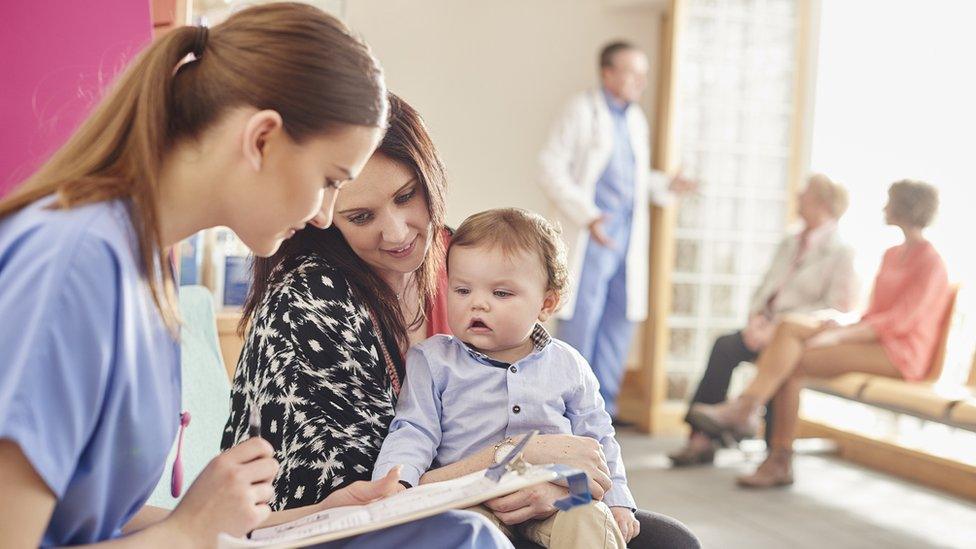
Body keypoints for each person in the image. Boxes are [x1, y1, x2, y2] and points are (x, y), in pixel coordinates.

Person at [0, 4, 509, 547]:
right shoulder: (75, 264)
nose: (322, 215)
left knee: (456, 534)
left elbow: (100, 520)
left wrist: (313, 517)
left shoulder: (143, 267)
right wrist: (190, 531)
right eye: (329, 180)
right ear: (261, 139)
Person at [226, 97, 699, 548]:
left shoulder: (458, 258)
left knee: (667, 540)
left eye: (406, 196)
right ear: (326, 216)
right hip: (401, 522)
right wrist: (515, 459)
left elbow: (597, 450)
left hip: (531, 496)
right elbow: (367, 502)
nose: (395, 232)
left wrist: (563, 493)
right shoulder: (313, 301)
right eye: (361, 215)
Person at [373, 208, 637, 548]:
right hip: (471, 498)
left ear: (546, 303)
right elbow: (414, 429)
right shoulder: (433, 360)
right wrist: (395, 483)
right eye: (462, 290)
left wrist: (617, 501)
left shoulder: (569, 364)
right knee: (465, 532)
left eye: (501, 294)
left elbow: (597, 437)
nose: (477, 304)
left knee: (590, 516)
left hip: (555, 493)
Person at [688, 180, 951, 488]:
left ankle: (771, 448)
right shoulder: (892, 254)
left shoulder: (932, 263)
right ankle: (748, 414)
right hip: (871, 338)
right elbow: (874, 313)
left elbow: (902, 322)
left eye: (889, 202)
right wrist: (841, 326)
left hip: (901, 355)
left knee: (794, 363)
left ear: (905, 208)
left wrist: (842, 336)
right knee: (788, 327)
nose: (883, 207)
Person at [537, 41, 695, 418]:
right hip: (594, 234)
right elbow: (549, 166)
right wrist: (587, 214)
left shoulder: (635, 119)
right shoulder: (582, 110)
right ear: (607, 73)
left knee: (619, 319)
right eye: (631, 71)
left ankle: (604, 409)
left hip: (625, 238)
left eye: (643, 72)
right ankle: (569, 408)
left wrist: (665, 186)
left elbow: (632, 182)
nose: (640, 80)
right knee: (582, 320)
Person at [669, 174, 858, 466]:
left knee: (781, 358)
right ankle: (701, 439)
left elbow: (836, 308)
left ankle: (772, 452)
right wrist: (756, 320)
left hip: (799, 337)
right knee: (724, 346)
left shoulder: (843, 252)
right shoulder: (790, 242)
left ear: (822, 203)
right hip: (765, 328)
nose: (797, 198)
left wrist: (779, 327)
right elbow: (766, 287)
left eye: (804, 194)